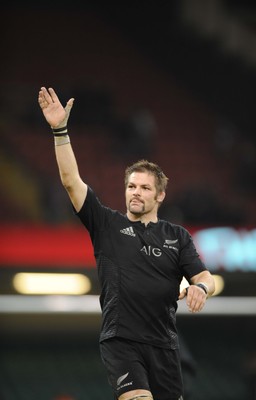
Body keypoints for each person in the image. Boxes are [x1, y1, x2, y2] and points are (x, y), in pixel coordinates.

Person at [38, 87, 215, 400]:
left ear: (160, 195)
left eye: (145, 187)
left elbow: (204, 278)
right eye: (131, 185)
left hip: (165, 346)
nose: (135, 192)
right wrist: (59, 130)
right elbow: (70, 181)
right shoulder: (106, 224)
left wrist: (200, 288)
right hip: (122, 342)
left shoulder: (177, 236)